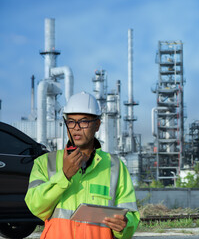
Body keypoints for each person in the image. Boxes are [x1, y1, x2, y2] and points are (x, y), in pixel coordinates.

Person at [25, 91, 140, 239]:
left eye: (84, 121)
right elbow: (35, 207)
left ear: (97, 125)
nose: (76, 128)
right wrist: (64, 175)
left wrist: (124, 224)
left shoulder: (115, 167)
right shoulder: (45, 163)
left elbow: (131, 215)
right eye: (71, 121)